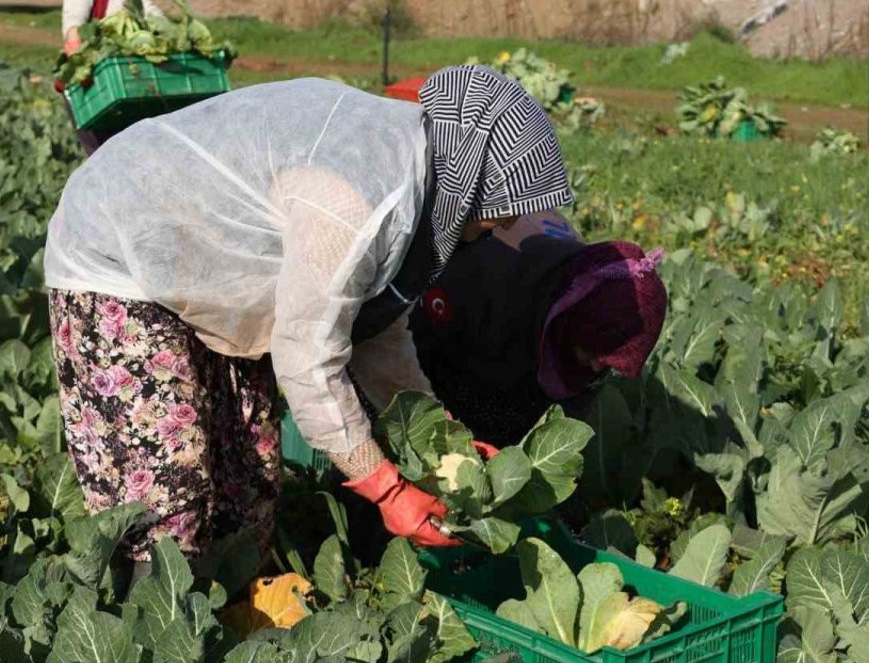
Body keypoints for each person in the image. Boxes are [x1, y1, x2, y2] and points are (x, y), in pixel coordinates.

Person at [43, 65, 575, 567]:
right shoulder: (359, 198)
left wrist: (435, 435)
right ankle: (149, 645)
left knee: (247, 481)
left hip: (204, 259)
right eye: (491, 218)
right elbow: (306, 360)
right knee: (168, 493)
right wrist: (385, 488)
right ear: (469, 184)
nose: (490, 231)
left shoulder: (414, 166)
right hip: (116, 245)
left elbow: (375, 329)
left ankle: (218, 622)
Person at [408, 210, 667, 449]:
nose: (599, 367)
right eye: (596, 353)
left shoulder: (589, 297)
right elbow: (409, 356)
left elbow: (569, 416)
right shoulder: (483, 279)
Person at [58, 0, 164, 156]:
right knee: (106, 159)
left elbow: (158, 18)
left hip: (138, 80)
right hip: (97, 84)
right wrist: (80, 57)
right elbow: (73, 29)